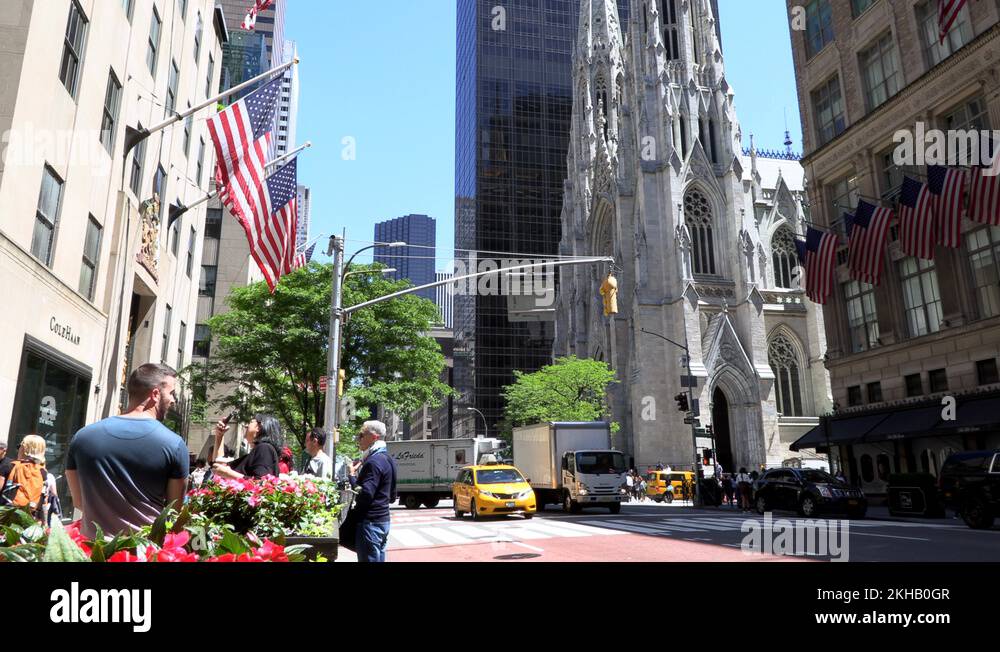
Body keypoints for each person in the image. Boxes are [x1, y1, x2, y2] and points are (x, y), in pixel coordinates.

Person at [66, 364, 189, 538]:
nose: (173, 400)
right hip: (144, 552)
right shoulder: (174, 444)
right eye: (171, 393)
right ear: (155, 394)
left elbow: (79, 501)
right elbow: (173, 514)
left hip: (93, 550)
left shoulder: (82, 437)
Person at [348, 421, 397, 563]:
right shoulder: (388, 459)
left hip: (370, 523)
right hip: (383, 521)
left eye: (362, 435)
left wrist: (352, 477)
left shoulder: (373, 462)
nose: (359, 438)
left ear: (374, 437)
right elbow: (393, 496)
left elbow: (364, 494)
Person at [209, 413, 283, 480]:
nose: (246, 425)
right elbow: (218, 466)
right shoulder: (258, 451)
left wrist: (228, 474)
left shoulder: (264, 448)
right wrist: (219, 435)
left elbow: (262, 483)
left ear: (259, 427)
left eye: (251, 422)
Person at [0, 435, 49, 521]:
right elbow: (44, 498)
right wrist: (43, 521)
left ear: (24, 448)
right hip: (29, 517)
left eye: (20, 446)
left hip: (6, 516)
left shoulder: (10, 466)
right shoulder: (43, 472)